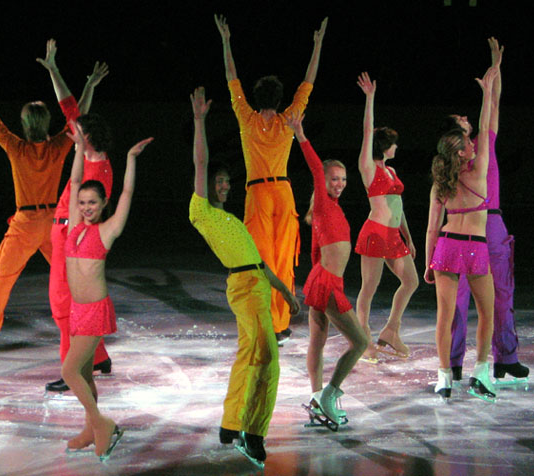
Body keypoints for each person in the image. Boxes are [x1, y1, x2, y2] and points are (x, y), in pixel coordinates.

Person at [189, 87, 299, 467]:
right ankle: (253, 432)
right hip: (245, 289)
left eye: (226, 182)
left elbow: (261, 264)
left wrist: (287, 292)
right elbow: (201, 162)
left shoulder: (234, 221)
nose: (224, 185)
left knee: (248, 357)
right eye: (218, 181)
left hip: (258, 286)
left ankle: (231, 423)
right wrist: (200, 121)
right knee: (268, 360)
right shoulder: (202, 212)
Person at [215, 14, 327, 345]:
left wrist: (226, 41)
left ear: (257, 96)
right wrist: (317, 45)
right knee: (281, 259)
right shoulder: (288, 118)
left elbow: (231, 78)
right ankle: (279, 324)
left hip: (258, 195)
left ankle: (268, 321)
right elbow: (308, 83)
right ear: (279, 99)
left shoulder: (247, 119)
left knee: (261, 260)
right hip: (283, 192)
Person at [0, 62, 74, 359]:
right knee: (69, 277)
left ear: (24, 123)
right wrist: (88, 86)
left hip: (25, 224)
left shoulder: (16, 147)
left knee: (2, 281)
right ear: (46, 121)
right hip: (53, 222)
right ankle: (84, 328)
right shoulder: (58, 145)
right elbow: (76, 116)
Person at [60, 119, 152, 461]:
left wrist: (130, 159)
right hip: (76, 311)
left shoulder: (107, 230)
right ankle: (90, 428)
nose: (86, 207)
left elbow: (126, 194)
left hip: (95, 311)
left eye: (92, 203)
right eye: (82, 202)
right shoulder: (74, 226)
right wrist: (78, 148)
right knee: (84, 373)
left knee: (69, 371)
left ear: (102, 204)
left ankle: (102, 424)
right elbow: (74, 181)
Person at [442, 38, 528, 383]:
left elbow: (493, 104)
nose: (466, 119)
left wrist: (496, 65)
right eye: (460, 120)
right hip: (464, 231)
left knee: (502, 293)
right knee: (458, 298)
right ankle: (453, 361)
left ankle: (506, 357)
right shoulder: (451, 163)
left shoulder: (485, 144)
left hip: (492, 224)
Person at [36, 39, 113, 393]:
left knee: (63, 306)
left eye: (78, 133)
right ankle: (97, 356)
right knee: (71, 303)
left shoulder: (99, 174)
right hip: (64, 235)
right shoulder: (89, 153)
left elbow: (91, 218)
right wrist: (53, 68)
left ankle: (74, 369)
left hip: (74, 243)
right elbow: (69, 106)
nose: (71, 132)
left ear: (89, 139)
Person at [288, 110, 368, 430]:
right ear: (323, 181)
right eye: (334, 179)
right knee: (360, 342)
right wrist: (301, 135)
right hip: (326, 283)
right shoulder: (322, 202)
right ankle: (329, 395)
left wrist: (318, 279)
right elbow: (313, 165)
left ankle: (316, 398)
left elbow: (317, 251)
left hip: (322, 279)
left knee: (317, 341)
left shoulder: (333, 208)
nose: (340, 184)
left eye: (343, 179)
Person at [424, 63, 499, 402]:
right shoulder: (479, 169)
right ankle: (481, 372)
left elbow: (431, 228)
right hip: (475, 247)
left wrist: (428, 263)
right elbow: (485, 124)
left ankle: (444, 377)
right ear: (461, 151)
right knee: (486, 313)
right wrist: (487, 93)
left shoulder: (441, 181)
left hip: (447, 247)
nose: (473, 142)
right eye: (468, 142)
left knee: (445, 317)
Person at [354, 73, 419, 360]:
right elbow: (367, 131)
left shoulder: (391, 171)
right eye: (394, 143)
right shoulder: (369, 168)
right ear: (384, 146)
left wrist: (408, 237)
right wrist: (370, 98)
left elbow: (398, 207)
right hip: (375, 233)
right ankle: (363, 338)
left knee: (411, 281)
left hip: (394, 235)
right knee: (369, 288)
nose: (397, 147)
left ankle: (391, 330)